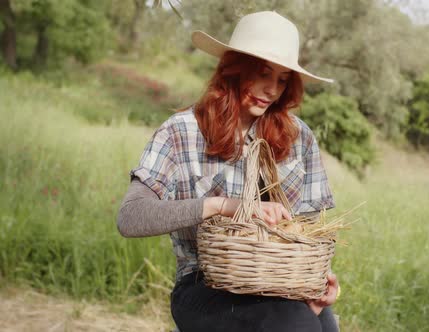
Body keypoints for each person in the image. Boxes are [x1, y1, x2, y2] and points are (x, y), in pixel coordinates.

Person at [117, 11, 339, 332]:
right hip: (204, 284)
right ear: (234, 68)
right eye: (262, 73)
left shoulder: (299, 137)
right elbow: (130, 218)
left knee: (322, 327)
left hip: (282, 282)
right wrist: (223, 206)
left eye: (282, 79)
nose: (271, 90)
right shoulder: (181, 131)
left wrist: (320, 282)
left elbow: (309, 232)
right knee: (297, 326)